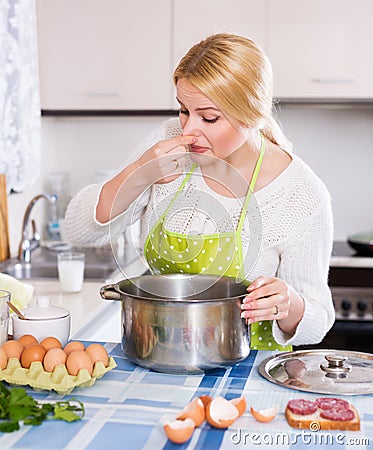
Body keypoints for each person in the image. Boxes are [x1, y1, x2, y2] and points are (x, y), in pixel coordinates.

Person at [65, 33, 335, 350]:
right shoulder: (166, 143)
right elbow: (78, 232)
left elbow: (319, 319)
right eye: (183, 110)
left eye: (208, 117)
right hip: (159, 356)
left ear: (252, 113)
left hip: (249, 373)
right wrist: (139, 175)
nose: (189, 130)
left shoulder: (301, 194)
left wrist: (289, 304)